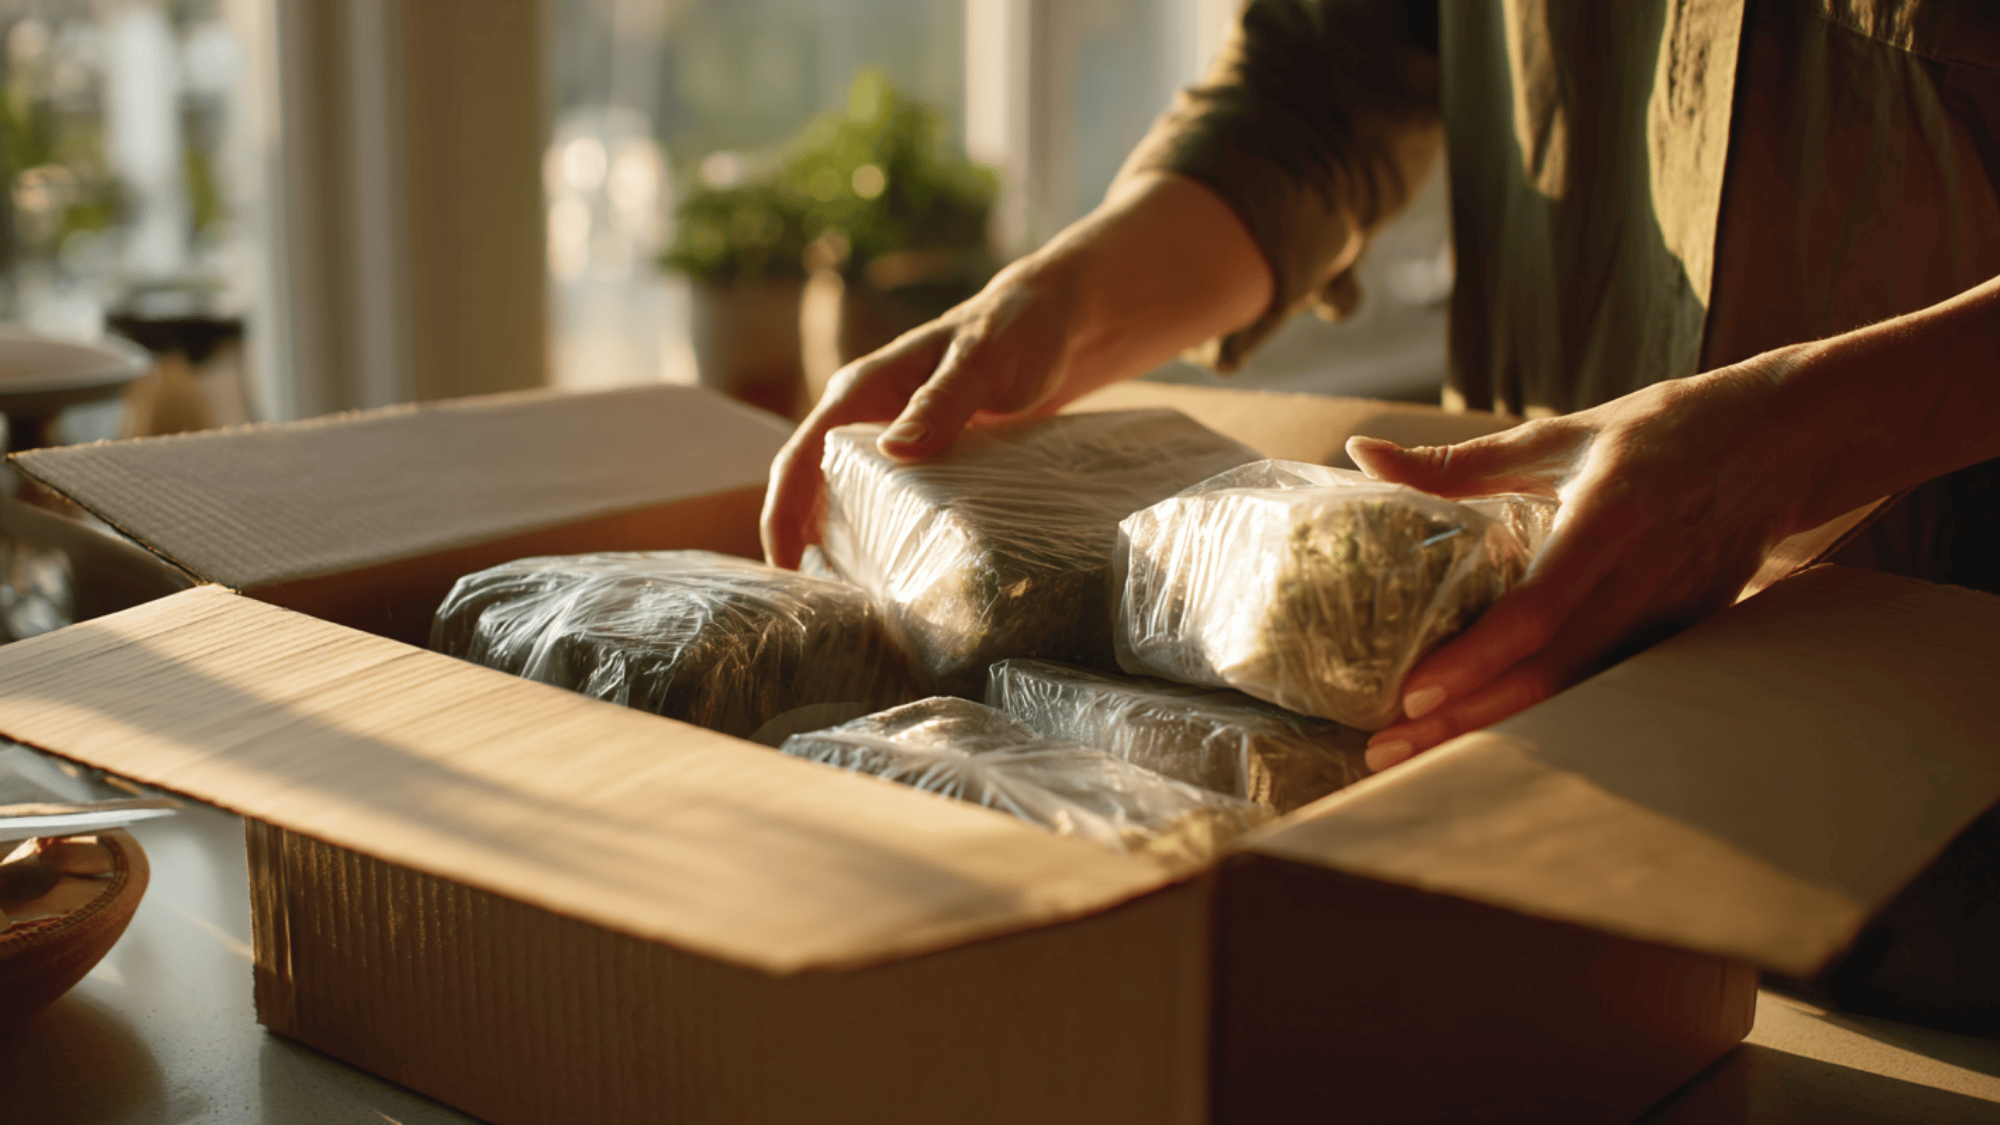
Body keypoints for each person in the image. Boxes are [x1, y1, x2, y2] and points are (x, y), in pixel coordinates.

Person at [761, 0, 2000, 775]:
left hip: (1936, 733)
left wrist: (1801, 440)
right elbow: (1318, 85)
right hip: (1496, 718)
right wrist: (1060, 301)